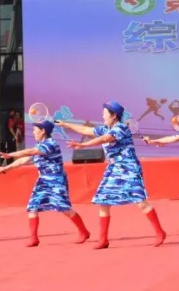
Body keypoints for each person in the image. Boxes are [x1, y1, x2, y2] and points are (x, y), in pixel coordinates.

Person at [58, 100, 166, 249]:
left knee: (141, 202)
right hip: (113, 167)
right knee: (103, 202)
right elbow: (86, 131)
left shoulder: (121, 128)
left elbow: (104, 139)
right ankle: (103, 240)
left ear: (114, 115)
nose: (103, 117)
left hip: (128, 167)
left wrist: (83, 145)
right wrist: (65, 124)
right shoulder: (106, 128)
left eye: (105, 114)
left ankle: (160, 232)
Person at [0, 120, 90, 246]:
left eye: (36, 129)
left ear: (43, 131)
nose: (34, 132)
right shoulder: (39, 144)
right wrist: (6, 168)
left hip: (56, 180)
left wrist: (10, 154)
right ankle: (34, 238)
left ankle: (84, 232)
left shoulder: (51, 144)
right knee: (32, 207)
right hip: (43, 180)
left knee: (64, 209)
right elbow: (24, 159)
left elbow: (30, 152)